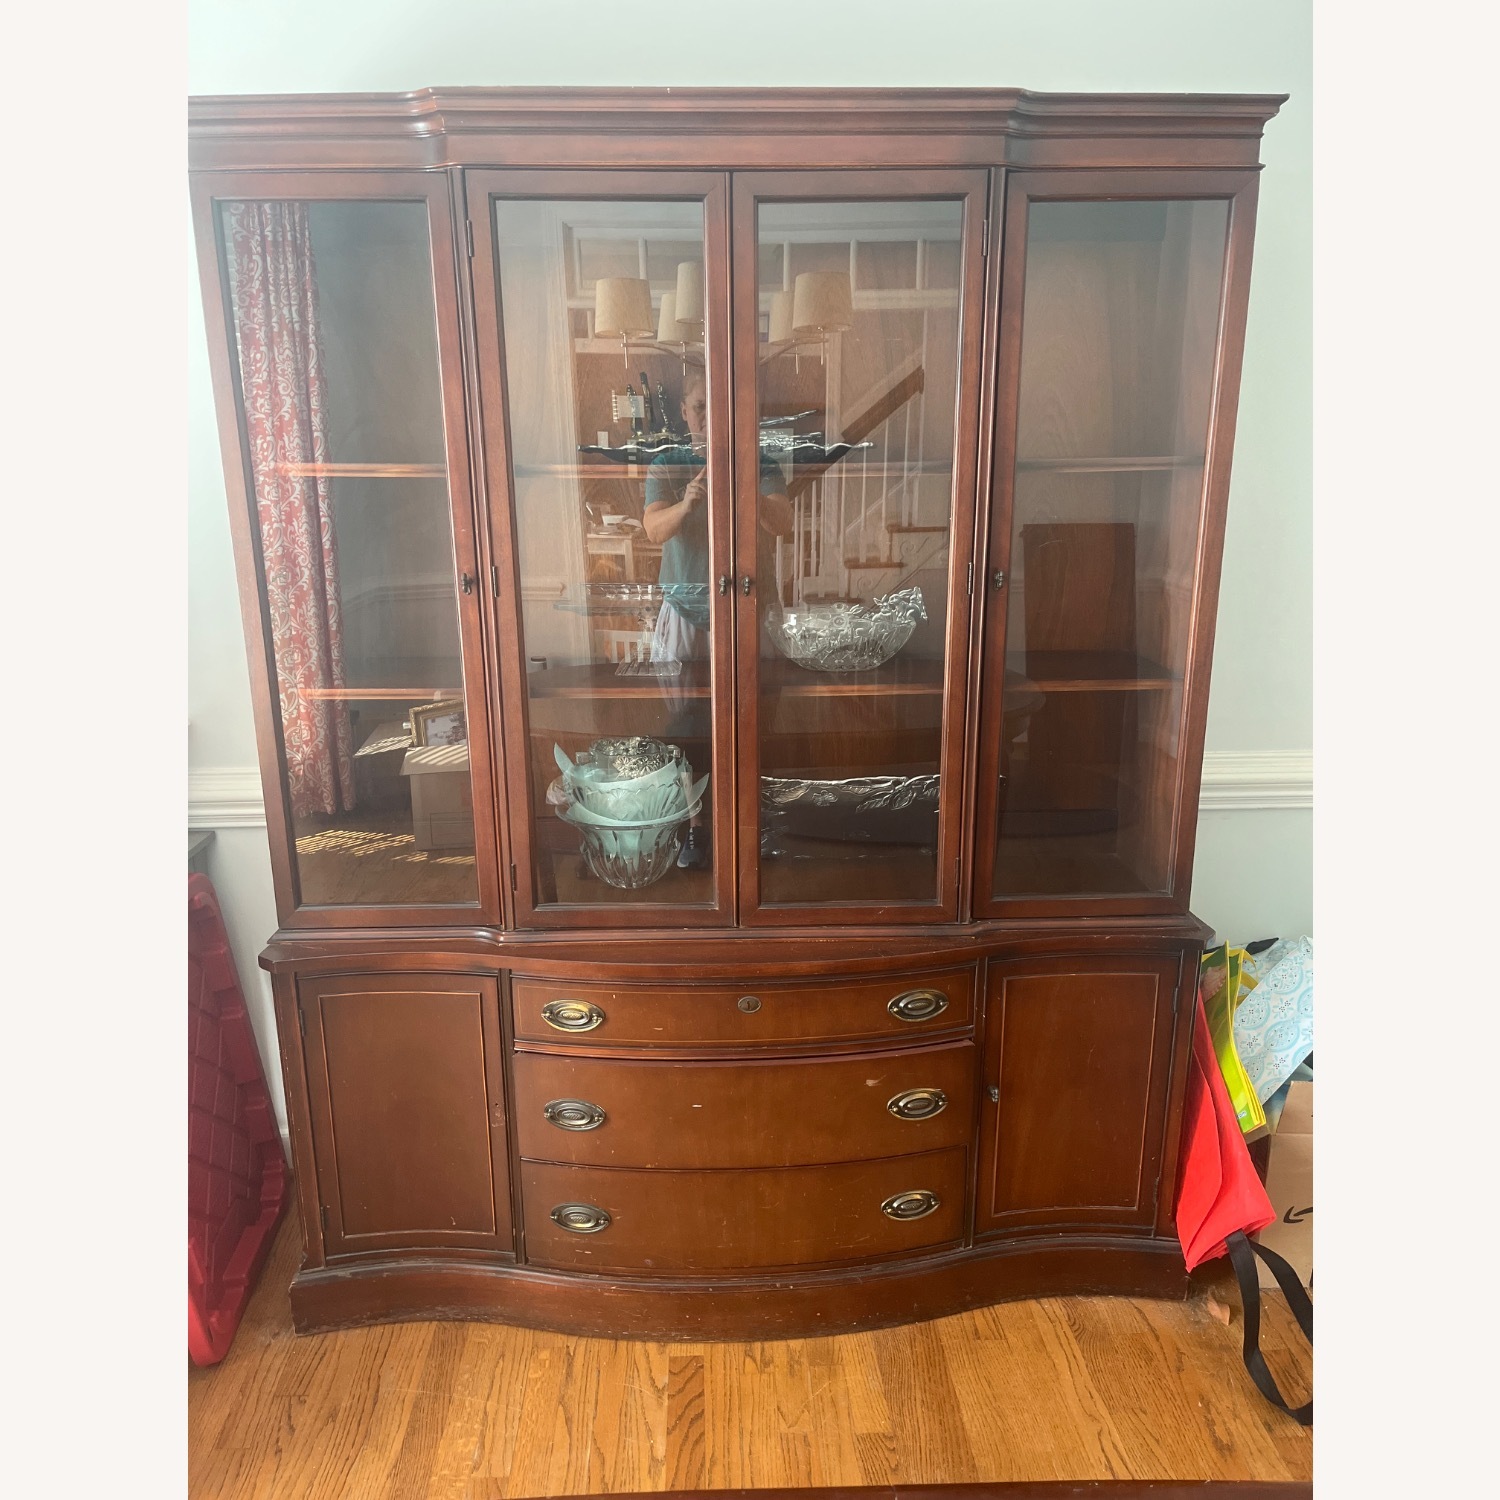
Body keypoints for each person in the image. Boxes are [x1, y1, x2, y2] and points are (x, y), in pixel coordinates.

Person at [642, 371, 793, 868]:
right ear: (686, 412)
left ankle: (754, 822)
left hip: (748, 611)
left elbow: (784, 523)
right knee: (687, 726)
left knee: (755, 718)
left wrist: (741, 486)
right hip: (685, 613)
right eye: (700, 406)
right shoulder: (666, 463)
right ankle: (696, 829)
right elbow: (653, 530)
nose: (709, 416)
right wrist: (687, 503)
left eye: (719, 406)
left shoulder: (762, 463)